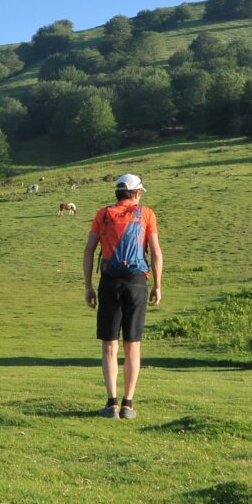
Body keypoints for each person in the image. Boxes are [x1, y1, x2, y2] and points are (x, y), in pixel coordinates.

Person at [83, 173, 163, 419]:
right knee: (133, 344)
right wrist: (157, 286)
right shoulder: (146, 214)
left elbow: (88, 251)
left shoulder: (102, 214)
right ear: (136, 193)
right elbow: (157, 253)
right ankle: (128, 404)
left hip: (109, 281)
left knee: (109, 344)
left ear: (118, 193)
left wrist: (88, 287)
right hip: (137, 282)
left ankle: (111, 404)